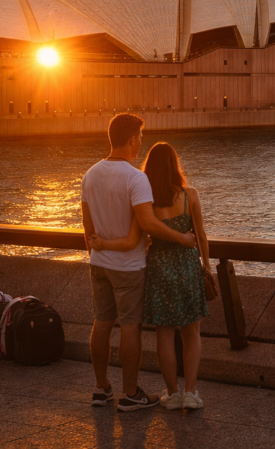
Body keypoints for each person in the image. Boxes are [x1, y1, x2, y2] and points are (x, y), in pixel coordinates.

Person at [81, 114, 196, 412]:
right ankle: (130, 394)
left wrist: (100, 248)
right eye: (140, 136)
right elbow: (149, 225)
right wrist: (181, 239)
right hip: (128, 267)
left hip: (99, 263)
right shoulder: (135, 177)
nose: (141, 141)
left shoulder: (90, 175)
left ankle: (101, 388)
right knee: (130, 327)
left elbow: (87, 229)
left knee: (102, 323)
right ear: (132, 139)